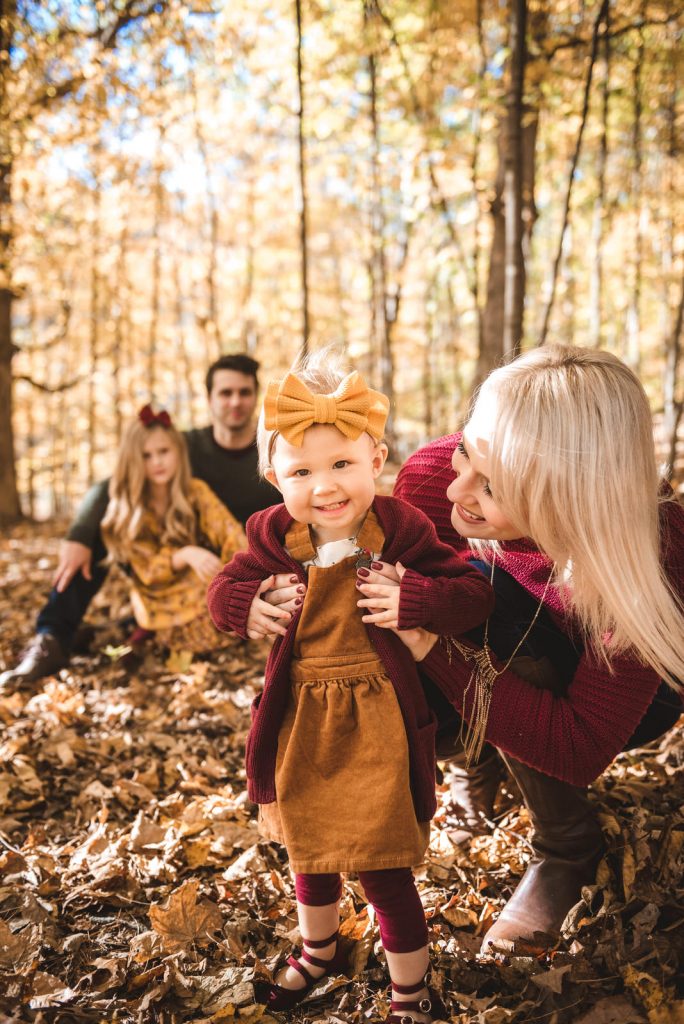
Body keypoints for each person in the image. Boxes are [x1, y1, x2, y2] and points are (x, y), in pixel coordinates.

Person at [353, 344, 684, 952]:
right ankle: (478, 765)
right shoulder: (432, 480)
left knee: (497, 621)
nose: (457, 491)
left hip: (635, 695)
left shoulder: (649, 554)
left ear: (566, 493)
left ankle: (565, 848)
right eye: (465, 455)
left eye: (492, 484)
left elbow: (580, 745)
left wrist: (429, 644)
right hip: (506, 634)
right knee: (442, 599)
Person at [207, 351, 495, 1022]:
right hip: (301, 721)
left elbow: (473, 593)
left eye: (342, 464)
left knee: (380, 862)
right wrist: (241, 609)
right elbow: (223, 588)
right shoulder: (273, 535)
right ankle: (320, 945)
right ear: (273, 476)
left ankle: (411, 990)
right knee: (310, 846)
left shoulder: (398, 529)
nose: (325, 486)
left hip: (378, 723)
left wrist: (418, 599)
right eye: (302, 471)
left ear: (377, 460)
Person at [1, 354, 278, 689]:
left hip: (237, 554)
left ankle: (143, 629)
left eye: (244, 392)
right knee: (108, 527)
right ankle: (52, 637)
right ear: (209, 398)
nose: (235, 401)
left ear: (255, 396)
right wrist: (79, 534)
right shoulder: (180, 446)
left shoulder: (272, 449)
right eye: (225, 392)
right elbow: (113, 484)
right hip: (171, 550)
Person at [101, 404, 245, 653]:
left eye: (164, 451)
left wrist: (241, 572)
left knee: (221, 592)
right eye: (146, 456)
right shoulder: (132, 508)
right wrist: (185, 554)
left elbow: (229, 532)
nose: (157, 462)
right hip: (157, 596)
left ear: (178, 452)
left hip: (198, 582)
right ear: (134, 461)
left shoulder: (195, 492)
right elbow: (147, 571)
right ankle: (154, 635)